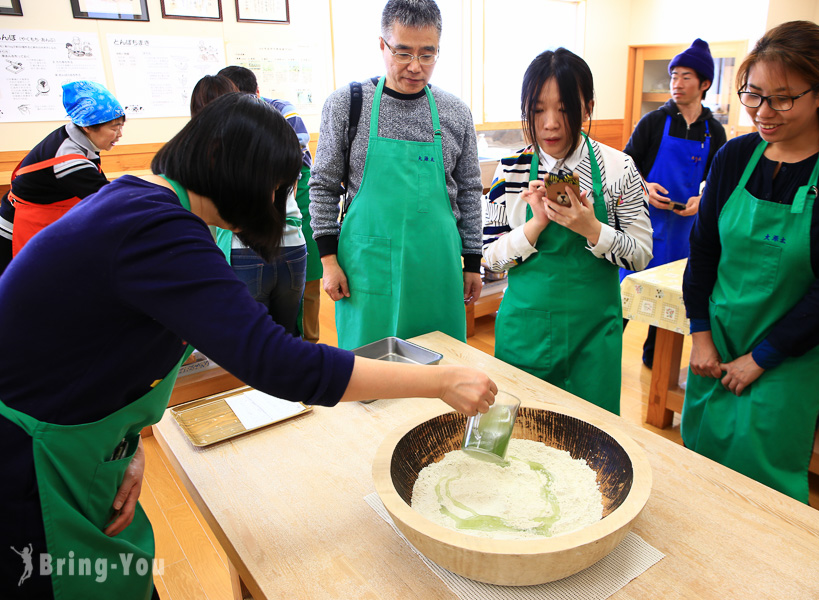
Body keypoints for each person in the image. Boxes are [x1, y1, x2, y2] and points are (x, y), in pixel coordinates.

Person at [0, 93, 496, 599]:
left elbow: (97, 351)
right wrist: (440, 380)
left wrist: (124, 444)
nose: (274, 202)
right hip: (30, 457)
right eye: (274, 186)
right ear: (224, 161)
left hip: (83, 445)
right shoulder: (155, 230)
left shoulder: (147, 204)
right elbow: (280, 363)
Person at [682, 21, 819, 503]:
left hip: (789, 357)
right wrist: (700, 334)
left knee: (763, 485)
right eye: (752, 95)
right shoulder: (735, 157)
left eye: (782, 98)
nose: (764, 112)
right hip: (717, 344)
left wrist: (761, 358)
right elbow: (705, 253)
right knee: (700, 462)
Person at [482, 48, 652, 414]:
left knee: (590, 445)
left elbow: (640, 255)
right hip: (524, 336)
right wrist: (535, 224)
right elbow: (491, 256)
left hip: (593, 343)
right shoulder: (510, 168)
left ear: (587, 108)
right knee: (522, 439)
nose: (550, 123)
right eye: (538, 109)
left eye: (564, 108)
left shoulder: (617, 169)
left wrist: (591, 228)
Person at [310, 0, 483, 350]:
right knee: (368, 378)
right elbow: (323, 186)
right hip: (368, 270)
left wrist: (473, 262)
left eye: (427, 54)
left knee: (441, 367)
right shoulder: (347, 104)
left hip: (435, 268)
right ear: (382, 44)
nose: (415, 67)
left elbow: (469, 191)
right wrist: (328, 261)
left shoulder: (455, 113)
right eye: (402, 52)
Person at [621, 38, 727, 368]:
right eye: (673, 76)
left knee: (673, 296)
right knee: (625, 294)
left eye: (685, 77)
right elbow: (626, 166)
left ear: (704, 84)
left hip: (685, 230)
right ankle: (603, 350)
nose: (676, 84)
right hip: (644, 224)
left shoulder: (715, 132)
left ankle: (656, 360)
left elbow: (717, 181)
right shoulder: (654, 122)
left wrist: (703, 197)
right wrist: (645, 187)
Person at [217, 65, 313, 336]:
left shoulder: (229, 130)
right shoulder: (281, 121)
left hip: (248, 245)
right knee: (288, 336)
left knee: (253, 338)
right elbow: (296, 174)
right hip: (293, 240)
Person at [0, 80, 124, 274]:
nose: (119, 134)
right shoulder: (68, 158)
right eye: (114, 128)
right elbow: (106, 198)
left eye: (121, 127)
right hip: (17, 228)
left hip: (44, 216)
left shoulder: (76, 138)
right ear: (88, 126)